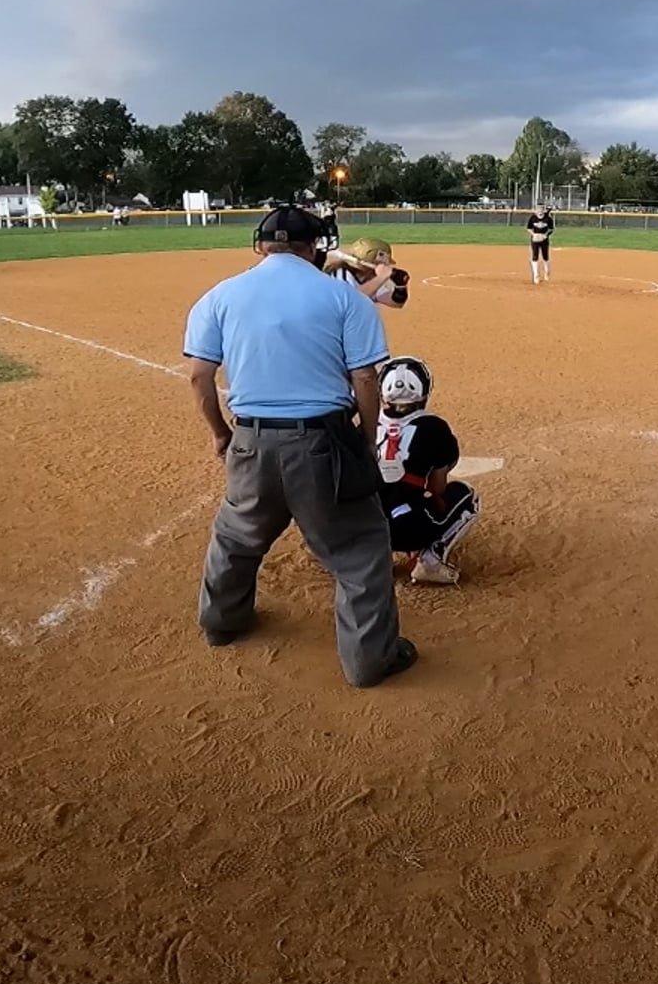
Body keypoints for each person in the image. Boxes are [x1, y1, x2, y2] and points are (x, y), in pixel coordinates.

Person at [183, 203, 417, 687]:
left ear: (259, 246)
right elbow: (365, 379)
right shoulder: (344, 298)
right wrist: (366, 441)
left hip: (251, 438)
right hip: (322, 439)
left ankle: (221, 623)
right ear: (314, 248)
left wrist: (222, 434)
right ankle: (369, 661)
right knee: (358, 548)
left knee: (236, 535)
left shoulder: (219, 295)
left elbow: (199, 376)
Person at [375, 356, 481, 586]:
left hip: (363, 525)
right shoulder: (434, 427)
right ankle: (430, 561)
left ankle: (371, 559)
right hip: (405, 528)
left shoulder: (366, 423)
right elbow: (437, 487)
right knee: (466, 496)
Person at [324, 237, 409, 309]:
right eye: (384, 264)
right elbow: (351, 300)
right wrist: (381, 277)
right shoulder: (339, 274)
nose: (387, 266)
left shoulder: (372, 279)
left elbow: (396, 304)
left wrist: (400, 286)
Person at [526, 204, 554, 283]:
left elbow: (551, 229)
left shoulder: (548, 218)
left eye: (541, 209)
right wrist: (533, 235)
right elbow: (528, 228)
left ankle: (546, 272)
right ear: (536, 210)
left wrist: (545, 235)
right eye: (538, 209)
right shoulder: (533, 218)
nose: (539, 210)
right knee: (535, 256)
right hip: (535, 239)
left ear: (543, 210)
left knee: (545, 256)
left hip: (544, 239)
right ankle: (536, 275)